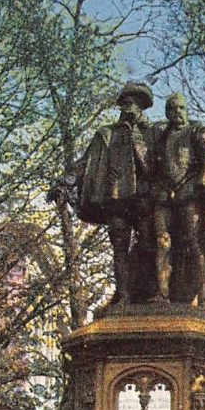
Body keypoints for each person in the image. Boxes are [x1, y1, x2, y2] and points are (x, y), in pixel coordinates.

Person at [151, 93, 205, 304]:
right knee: (162, 243)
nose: (177, 112)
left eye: (181, 108)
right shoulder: (160, 138)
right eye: (172, 109)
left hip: (189, 197)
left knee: (194, 245)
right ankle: (161, 293)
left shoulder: (197, 133)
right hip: (164, 198)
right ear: (167, 113)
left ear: (187, 110)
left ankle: (202, 295)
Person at [73, 81, 155, 303]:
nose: (125, 109)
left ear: (141, 106)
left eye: (130, 104)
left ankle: (150, 293)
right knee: (119, 248)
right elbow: (84, 163)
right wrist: (65, 182)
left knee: (149, 244)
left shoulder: (153, 132)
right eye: (123, 104)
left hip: (145, 199)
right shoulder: (108, 134)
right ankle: (123, 295)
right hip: (117, 198)